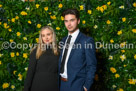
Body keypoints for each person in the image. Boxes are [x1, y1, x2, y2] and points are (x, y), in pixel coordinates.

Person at [58, 8, 97, 91]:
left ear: (78, 21)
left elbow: (91, 65)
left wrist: (86, 86)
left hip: (77, 86)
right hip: (62, 85)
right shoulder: (63, 40)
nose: (69, 24)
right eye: (66, 21)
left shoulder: (87, 40)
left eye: (72, 20)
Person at [24, 26, 59, 91]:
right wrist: (26, 89)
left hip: (54, 86)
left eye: (48, 34)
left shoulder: (59, 51)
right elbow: (30, 72)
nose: (46, 38)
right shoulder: (36, 51)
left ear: (53, 35)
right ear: (41, 38)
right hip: (37, 86)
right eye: (43, 35)